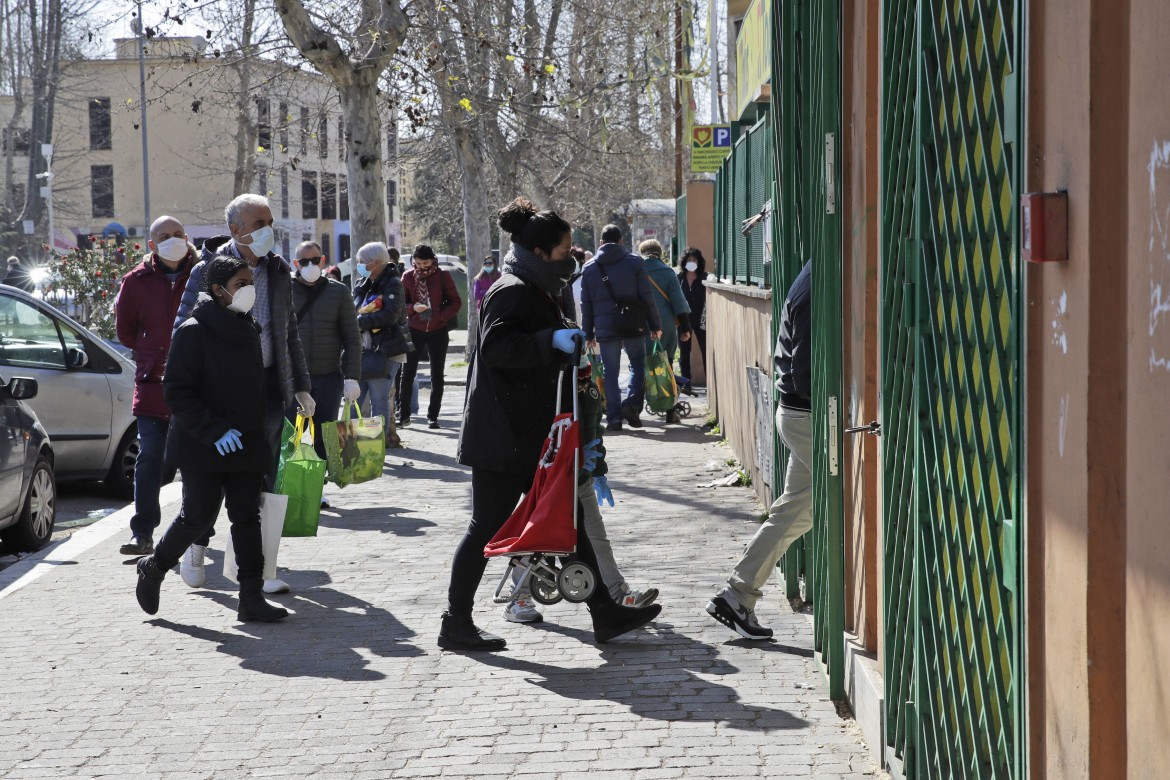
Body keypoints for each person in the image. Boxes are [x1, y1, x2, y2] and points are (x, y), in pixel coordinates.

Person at [442, 197, 661, 652]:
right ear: (540, 252)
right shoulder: (513, 289)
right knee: (486, 526)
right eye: (564, 251)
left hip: (528, 433)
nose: (571, 257)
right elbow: (501, 347)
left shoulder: (535, 285)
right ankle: (455, 623)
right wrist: (549, 340)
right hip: (503, 436)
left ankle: (604, 611)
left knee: (570, 520)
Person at [134, 255, 288, 623]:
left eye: (250, 281)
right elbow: (178, 392)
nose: (248, 290)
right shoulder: (193, 330)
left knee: (246, 518)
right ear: (218, 291)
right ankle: (154, 567)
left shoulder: (247, 326)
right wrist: (215, 430)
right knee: (197, 517)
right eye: (240, 284)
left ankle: (250, 598)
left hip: (246, 442)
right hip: (204, 445)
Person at [173, 193, 314, 595]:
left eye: (270, 222)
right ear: (235, 230)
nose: (268, 230)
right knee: (212, 480)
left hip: (267, 389)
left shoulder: (279, 270)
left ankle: (256, 569)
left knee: (260, 480)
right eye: (259, 224)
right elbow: (183, 331)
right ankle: (196, 543)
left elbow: (288, 335)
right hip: (217, 396)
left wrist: (301, 386)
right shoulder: (208, 270)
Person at [503, 343, 658, 625]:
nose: (584, 382)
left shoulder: (588, 391)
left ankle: (617, 592)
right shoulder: (550, 392)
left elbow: (593, 432)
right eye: (580, 378)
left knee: (596, 535)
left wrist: (598, 470)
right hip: (549, 477)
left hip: (580, 475)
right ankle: (518, 596)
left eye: (587, 377)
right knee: (536, 537)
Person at [706, 262, 811, 640]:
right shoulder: (825, 277)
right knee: (812, 507)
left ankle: (736, 596)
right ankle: (736, 595)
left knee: (794, 513)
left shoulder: (814, 272)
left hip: (800, 413)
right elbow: (806, 368)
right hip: (810, 416)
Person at [114, 215, 197, 555]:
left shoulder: (204, 272)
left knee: (195, 461)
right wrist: (151, 352)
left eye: (178, 234)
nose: (173, 239)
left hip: (197, 384)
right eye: (165, 236)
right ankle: (143, 532)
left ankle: (193, 531)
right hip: (154, 384)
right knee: (149, 459)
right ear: (152, 244)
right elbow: (126, 332)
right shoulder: (135, 281)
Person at [580, 225, 662, 431]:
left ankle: (614, 418)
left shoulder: (589, 268)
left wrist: (588, 333)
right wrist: (655, 325)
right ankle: (631, 404)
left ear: (601, 242)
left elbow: (586, 305)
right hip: (633, 324)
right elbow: (647, 297)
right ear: (621, 241)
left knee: (610, 372)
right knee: (637, 364)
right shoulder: (635, 263)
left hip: (605, 328)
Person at [290, 240, 362, 466]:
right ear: (295, 263)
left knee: (324, 438)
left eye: (315, 260)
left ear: (323, 261)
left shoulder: (339, 292)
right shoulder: (283, 290)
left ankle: (318, 488)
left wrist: (352, 377)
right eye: (304, 261)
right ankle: (289, 488)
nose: (310, 265)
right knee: (292, 437)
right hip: (292, 380)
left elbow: (352, 338)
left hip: (327, 377)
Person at [352, 242, 411, 447]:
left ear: (375, 263)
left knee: (379, 399)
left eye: (362, 262)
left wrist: (358, 323)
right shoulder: (362, 282)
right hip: (363, 351)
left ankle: (375, 447)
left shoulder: (393, 283)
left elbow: (390, 316)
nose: (358, 265)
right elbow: (354, 308)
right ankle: (355, 444)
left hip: (385, 351)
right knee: (354, 400)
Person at [400, 243, 461, 429]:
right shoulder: (407, 277)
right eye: (417, 263)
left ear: (433, 260)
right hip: (414, 329)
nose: (421, 266)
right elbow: (400, 306)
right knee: (407, 374)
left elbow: (456, 302)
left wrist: (440, 316)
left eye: (425, 262)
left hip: (437, 330)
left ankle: (433, 416)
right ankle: (403, 415)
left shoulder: (443, 275)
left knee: (437, 375)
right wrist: (412, 309)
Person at [637, 239, 692, 424]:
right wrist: (685, 328)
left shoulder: (636, 271)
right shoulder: (668, 272)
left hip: (641, 324)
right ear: (660, 253)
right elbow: (678, 301)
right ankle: (670, 410)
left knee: (641, 366)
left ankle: (635, 407)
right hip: (665, 324)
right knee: (665, 365)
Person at [677, 247, 708, 394]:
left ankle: (710, 382)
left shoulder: (705, 278)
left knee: (705, 350)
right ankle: (686, 383)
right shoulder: (679, 278)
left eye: (694, 259)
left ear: (698, 261)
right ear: (684, 261)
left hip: (701, 321)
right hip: (684, 320)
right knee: (684, 353)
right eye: (689, 259)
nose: (691, 262)